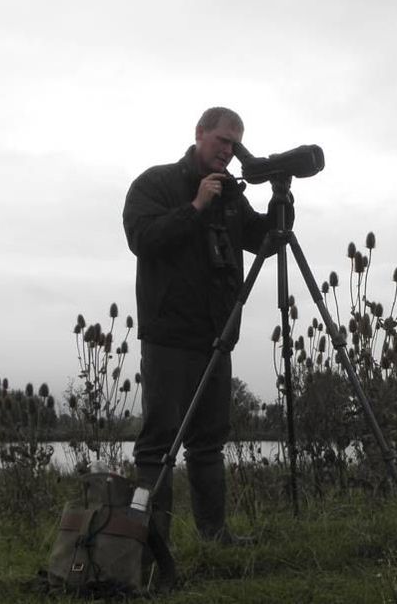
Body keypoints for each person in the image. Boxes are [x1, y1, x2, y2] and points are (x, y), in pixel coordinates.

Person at [122, 107, 290, 560]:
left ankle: (214, 538)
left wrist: (281, 199)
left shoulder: (233, 195)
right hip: (168, 336)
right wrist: (196, 207)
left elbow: (266, 240)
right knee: (159, 445)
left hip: (217, 338)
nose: (228, 150)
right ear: (199, 134)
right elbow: (143, 239)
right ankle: (152, 547)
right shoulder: (155, 183)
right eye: (221, 140)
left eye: (235, 144)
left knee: (209, 444)